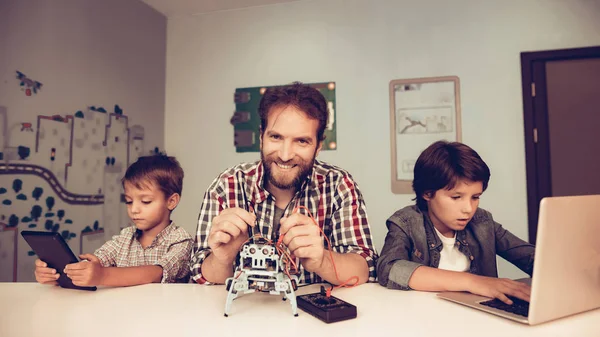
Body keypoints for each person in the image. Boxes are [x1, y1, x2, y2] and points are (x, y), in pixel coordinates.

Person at [191, 82, 377, 286]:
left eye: (302, 141)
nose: (285, 155)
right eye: (276, 137)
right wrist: (222, 259)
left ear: (318, 146)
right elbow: (201, 275)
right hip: (242, 313)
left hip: (312, 316)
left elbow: (364, 269)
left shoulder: (339, 185)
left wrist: (321, 260)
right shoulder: (226, 186)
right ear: (262, 136)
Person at [377, 140, 534, 304]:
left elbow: (530, 258)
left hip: (479, 320)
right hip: (424, 321)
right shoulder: (406, 223)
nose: (468, 208)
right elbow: (389, 268)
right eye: (456, 197)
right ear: (427, 193)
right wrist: (472, 282)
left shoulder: (482, 222)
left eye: (475, 197)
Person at [34, 155, 193, 286]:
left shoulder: (181, 241)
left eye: (145, 201)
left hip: (164, 318)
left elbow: (158, 273)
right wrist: (62, 273)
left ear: (171, 201)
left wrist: (102, 276)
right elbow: (97, 262)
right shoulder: (125, 237)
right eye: (129, 201)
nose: (134, 209)